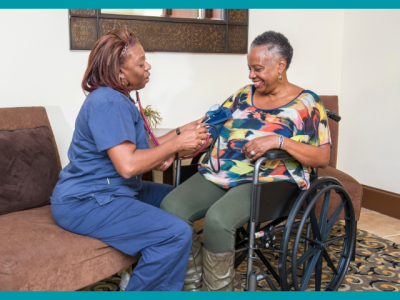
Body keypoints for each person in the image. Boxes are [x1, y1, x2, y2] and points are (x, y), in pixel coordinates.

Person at [160, 31, 331, 291]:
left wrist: (278, 141)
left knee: (218, 220)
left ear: (281, 65)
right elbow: (211, 126)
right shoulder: (242, 95)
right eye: (249, 68)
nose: (251, 75)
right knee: (171, 207)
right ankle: (193, 284)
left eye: (258, 68)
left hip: (268, 181)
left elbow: (323, 157)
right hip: (220, 173)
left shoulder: (307, 104)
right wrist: (178, 146)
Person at [50, 28, 208, 291]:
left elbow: (144, 148)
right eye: (140, 62)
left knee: (177, 200)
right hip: (86, 201)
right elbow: (129, 165)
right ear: (119, 72)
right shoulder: (108, 103)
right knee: (174, 234)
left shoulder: (116, 99)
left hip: (113, 190)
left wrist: (181, 132)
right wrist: (178, 144)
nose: (148, 66)